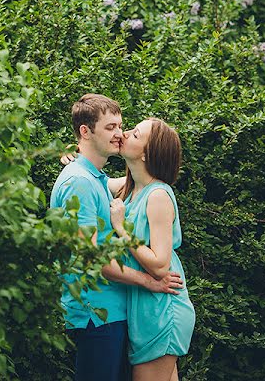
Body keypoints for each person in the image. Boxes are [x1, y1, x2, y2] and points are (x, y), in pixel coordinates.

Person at [51, 95, 184, 381]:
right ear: (86, 131)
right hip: (99, 312)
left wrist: (78, 155)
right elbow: (92, 258)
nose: (120, 134)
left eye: (123, 128)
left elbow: (148, 181)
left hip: (131, 310)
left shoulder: (101, 180)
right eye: (111, 127)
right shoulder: (83, 181)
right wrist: (149, 281)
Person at [109, 118, 195, 381]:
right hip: (148, 311)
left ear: (146, 154)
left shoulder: (158, 195)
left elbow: (160, 263)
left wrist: (122, 229)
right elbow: (94, 174)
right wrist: (74, 153)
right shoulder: (131, 188)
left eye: (135, 134)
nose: (124, 134)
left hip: (163, 311)